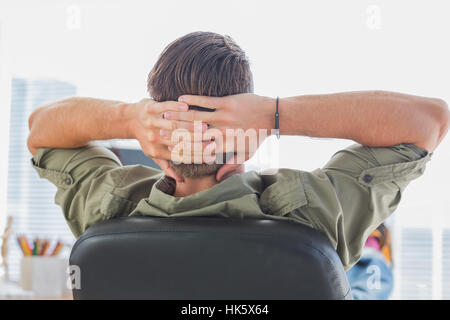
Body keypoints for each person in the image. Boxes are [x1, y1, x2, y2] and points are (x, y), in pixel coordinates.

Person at [27, 32, 449, 296]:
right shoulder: (313, 214)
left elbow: (40, 128)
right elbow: (430, 120)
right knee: (368, 277)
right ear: (246, 146)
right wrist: (274, 113)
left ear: (156, 140)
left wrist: (127, 118)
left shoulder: (108, 205)